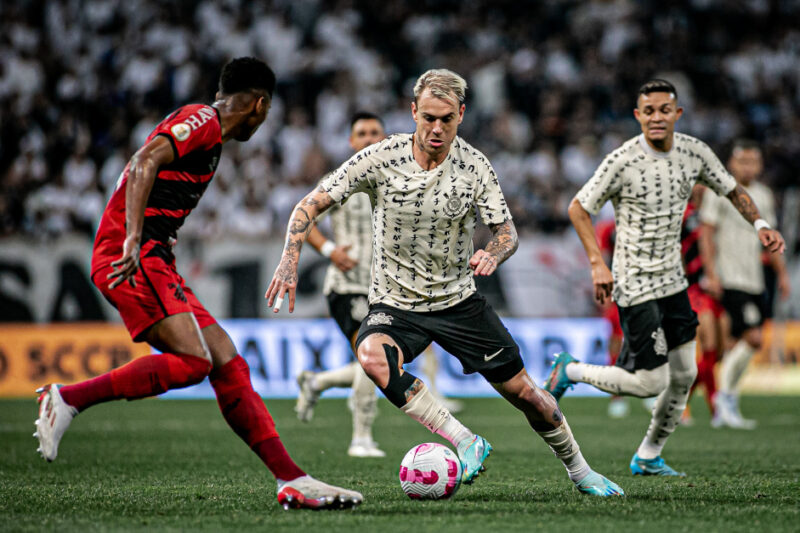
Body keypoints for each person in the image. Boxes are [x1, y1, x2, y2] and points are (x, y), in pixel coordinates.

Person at [267, 69, 623, 496]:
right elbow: (309, 204)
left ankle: (581, 471)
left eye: (447, 119)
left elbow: (506, 231)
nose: (437, 128)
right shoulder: (380, 157)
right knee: (371, 355)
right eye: (429, 117)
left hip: (458, 301)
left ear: (461, 115)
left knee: (527, 394)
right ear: (413, 111)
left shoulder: (474, 166)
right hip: (395, 304)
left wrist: (493, 251)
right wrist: (289, 260)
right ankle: (465, 440)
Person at [34, 57, 362, 510]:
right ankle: (67, 398)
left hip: (155, 257)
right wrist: (132, 238)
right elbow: (144, 159)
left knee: (228, 364)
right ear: (260, 106)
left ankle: (292, 479)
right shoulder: (203, 121)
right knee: (193, 361)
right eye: (266, 114)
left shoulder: (207, 130)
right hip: (133, 254)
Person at [545, 79, 786, 477]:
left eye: (664, 110)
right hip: (634, 283)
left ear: (677, 114)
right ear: (638, 116)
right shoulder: (622, 160)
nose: (657, 117)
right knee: (648, 383)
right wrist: (596, 264)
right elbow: (578, 207)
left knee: (685, 375)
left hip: (675, 283)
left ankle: (648, 455)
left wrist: (759, 222)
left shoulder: (695, 153)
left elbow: (732, 190)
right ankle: (570, 371)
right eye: (649, 111)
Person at [295, 111, 387, 458]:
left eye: (374, 132)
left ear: (384, 137)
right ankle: (361, 437)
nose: (367, 138)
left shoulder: (400, 180)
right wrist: (331, 250)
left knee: (385, 363)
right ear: (351, 141)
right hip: (348, 284)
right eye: (361, 133)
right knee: (373, 357)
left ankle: (317, 382)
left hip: (385, 287)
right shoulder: (338, 179)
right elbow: (304, 218)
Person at [700, 139, 791, 429]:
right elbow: (706, 233)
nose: (748, 166)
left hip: (754, 279)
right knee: (753, 339)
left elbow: (769, 240)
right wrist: (712, 273)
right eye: (743, 161)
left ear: (760, 165)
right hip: (730, 278)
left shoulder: (762, 195)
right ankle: (724, 399)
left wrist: (783, 274)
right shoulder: (720, 192)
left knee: (733, 344)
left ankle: (725, 404)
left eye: (753, 161)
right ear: (732, 164)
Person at [680, 185, 725, 425]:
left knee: (717, 352)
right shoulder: (684, 214)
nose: (700, 187)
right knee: (707, 345)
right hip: (695, 289)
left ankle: (680, 401)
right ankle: (716, 408)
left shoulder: (718, 210)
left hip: (722, 288)